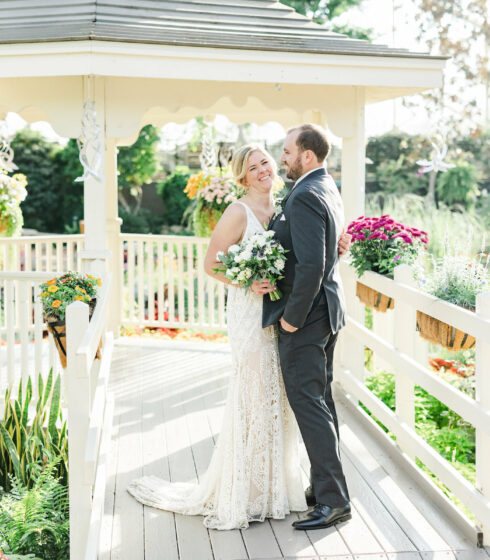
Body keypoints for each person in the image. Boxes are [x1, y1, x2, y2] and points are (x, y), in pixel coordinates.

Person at [127, 137, 350, 530]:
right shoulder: (238, 211)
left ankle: (277, 486)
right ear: (243, 177)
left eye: (268, 162)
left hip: (284, 314)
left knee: (279, 401)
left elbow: (308, 254)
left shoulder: (288, 202)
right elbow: (211, 264)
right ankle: (248, 490)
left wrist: (337, 244)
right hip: (252, 315)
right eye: (255, 167)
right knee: (253, 397)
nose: (266, 170)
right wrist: (246, 282)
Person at [260, 124, 351, 530]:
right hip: (328, 312)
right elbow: (325, 250)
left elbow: (313, 265)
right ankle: (325, 486)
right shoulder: (326, 186)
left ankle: (333, 500)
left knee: (310, 405)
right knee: (321, 403)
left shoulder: (307, 194)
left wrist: (291, 319)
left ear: (307, 156)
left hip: (308, 318)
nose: (282, 158)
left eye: (286, 151)